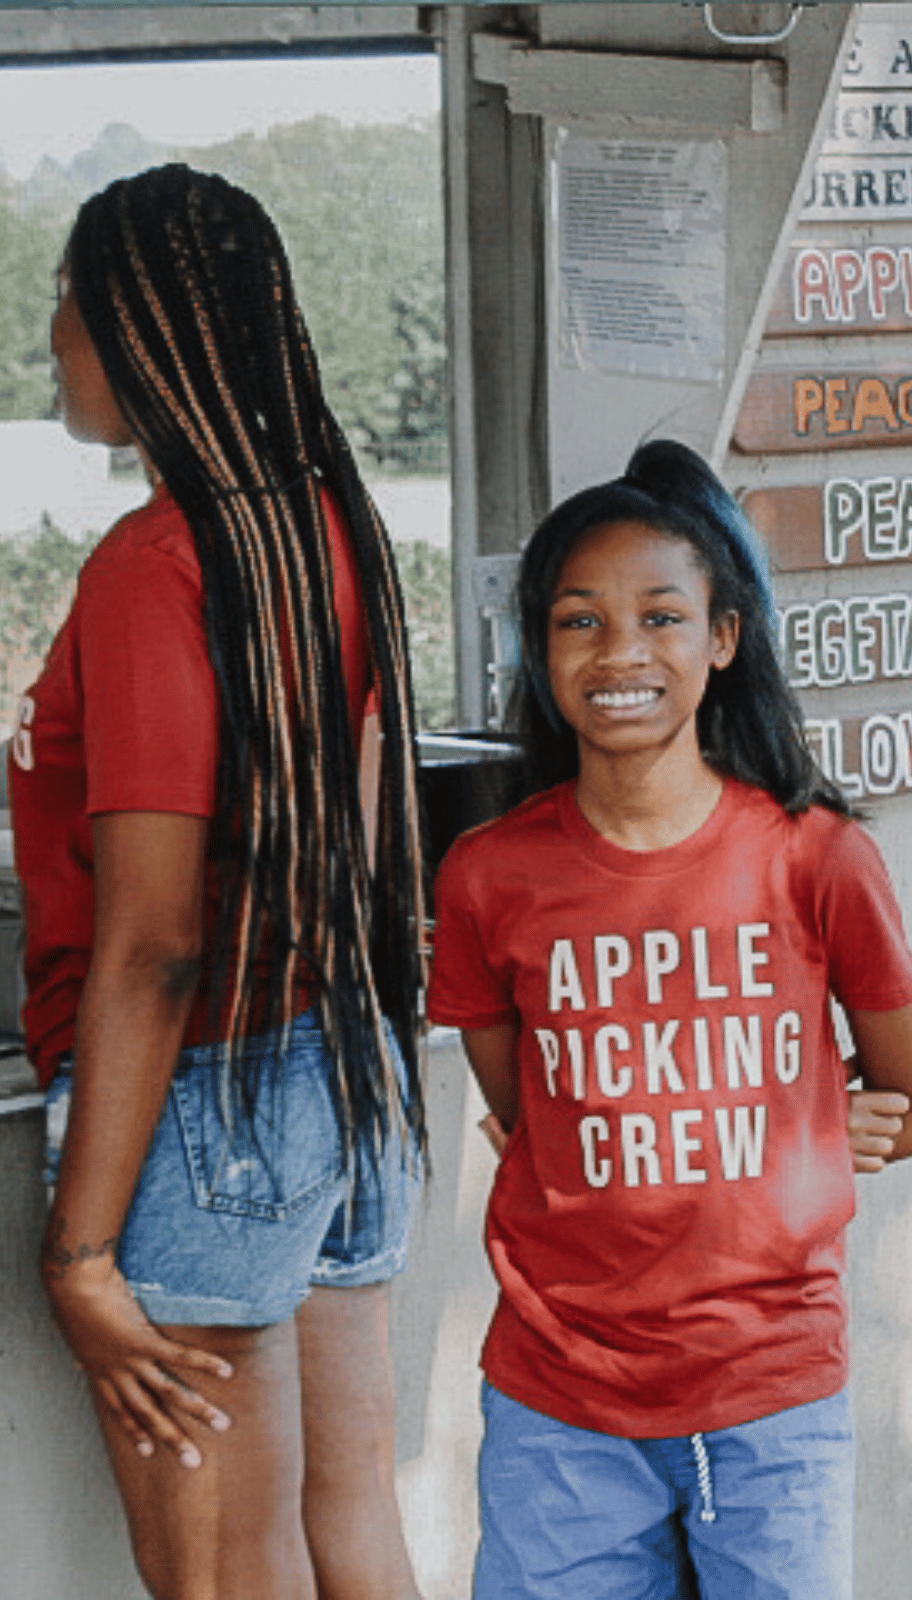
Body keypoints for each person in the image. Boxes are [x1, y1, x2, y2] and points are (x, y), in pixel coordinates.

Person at [427, 439, 912, 1600]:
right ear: (538, 645)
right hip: (559, 1405)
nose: (620, 651)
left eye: (662, 617)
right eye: (578, 621)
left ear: (722, 640)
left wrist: (818, 1121)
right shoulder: (485, 877)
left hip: (771, 1401)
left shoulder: (819, 858)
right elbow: (531, 1113)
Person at [9, 165, 426, 1600]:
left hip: (206, 1109)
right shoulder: (323, 525)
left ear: (136, 328)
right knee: (354, 1541)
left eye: (66, 301)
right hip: (344, 1079)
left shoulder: (152, 568)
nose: (48, 333)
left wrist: (79, 1255)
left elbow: (152, 946)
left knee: (220, 1583)